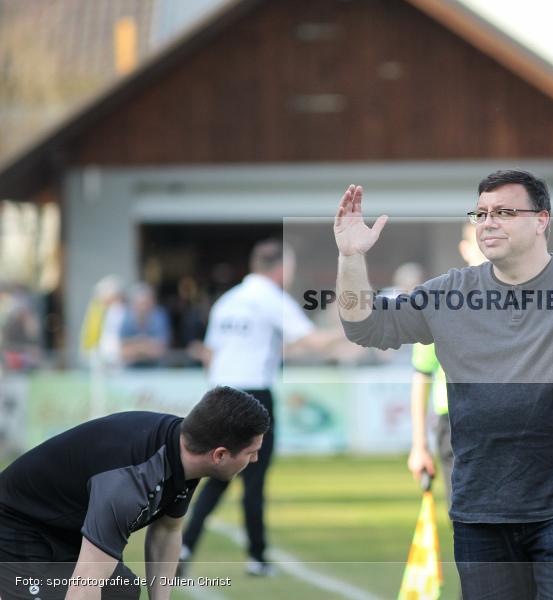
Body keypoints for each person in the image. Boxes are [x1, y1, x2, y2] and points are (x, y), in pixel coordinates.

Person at [334, 170, 553, 599]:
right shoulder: (448, 294)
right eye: (480, 214)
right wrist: (350, 258)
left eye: (503, 212)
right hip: (480, 511)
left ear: (541, 220)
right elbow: (365, 327)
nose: (488, 222)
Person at [0, 386, 270, 600]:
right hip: (14, 525)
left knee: (120, 592)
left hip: (62, 530)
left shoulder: (188, 448)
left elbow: (167, 532)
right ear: (220, 455)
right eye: (251, 452)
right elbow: (84, 588)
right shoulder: (129, 482)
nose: (256, 459)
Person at [178, 239, 340, 577]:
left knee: (215, 477)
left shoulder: (228, 300)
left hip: (218, 394)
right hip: (252, 395)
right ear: (280, 268)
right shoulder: (270, 298)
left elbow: (211, 353)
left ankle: (186, 545)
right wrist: (355, 326)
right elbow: (311, 340)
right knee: (253, 480)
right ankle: (257, 557)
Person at [407, 224, 486, 509]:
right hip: (454, 420)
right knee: (465, 515)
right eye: (479, 240)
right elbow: (422, 375)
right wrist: (419, 445)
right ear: (464, 249)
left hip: (511, 422)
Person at [119, 282, 171, 368]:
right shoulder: (126, 318)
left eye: (146, 303)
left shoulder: (159, 317)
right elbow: (122, 352)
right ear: (133, 305)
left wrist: (135, 345)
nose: (144, 307)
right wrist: (147, 346)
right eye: (140, 304)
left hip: (157, 368)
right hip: (131, 370)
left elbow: (160, 350)